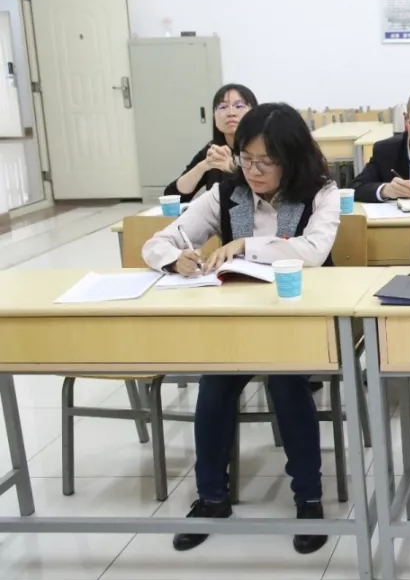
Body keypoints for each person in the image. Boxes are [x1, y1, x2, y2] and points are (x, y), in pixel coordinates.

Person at [143, 103, 340, 555]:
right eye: (246, 159)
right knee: (214, 386)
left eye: (266, 162)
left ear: (291, 159)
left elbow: (312, 251)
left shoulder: (320, 191)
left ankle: (309, 499)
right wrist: (175, 259)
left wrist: (244, 244)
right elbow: (159, 241)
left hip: (300, 322)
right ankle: (212, 498)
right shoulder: (225, 192)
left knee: (288, 385)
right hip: (240, 324)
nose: (253, 171)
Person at [165, 84, 258, 202]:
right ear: (214, 116)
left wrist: (232, 168)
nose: (231, 113)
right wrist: (202, 166)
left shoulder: (263, 147)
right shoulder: (213, 149)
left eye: (239, 106)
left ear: (254, 112)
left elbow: (265, 195)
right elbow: (173, 196)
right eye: (223, 107)